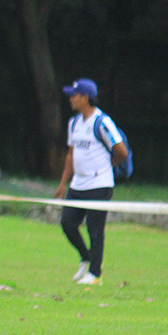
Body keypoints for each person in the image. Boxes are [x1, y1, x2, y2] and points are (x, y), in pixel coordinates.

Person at [54, 78, 128, 286]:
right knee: (67, 223)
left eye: (74, 95)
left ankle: (95, 274)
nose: (70, 99)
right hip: (78, 185)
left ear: (85, 98)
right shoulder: (74, 123)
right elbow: (71, 155)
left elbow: (121, 151)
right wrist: (63, 184)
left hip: (99, 185)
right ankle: (85, 256)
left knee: (95, 230)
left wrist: (109, 167)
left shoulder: (102, 122)